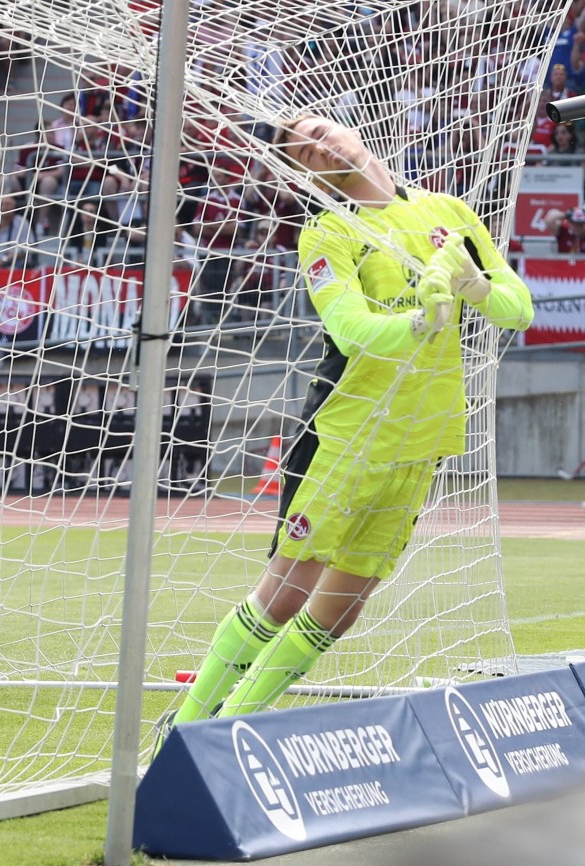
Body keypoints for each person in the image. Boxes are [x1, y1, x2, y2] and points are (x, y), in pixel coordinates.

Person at [155, 114, 535, 750]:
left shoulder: (447, 210)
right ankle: (189, 724)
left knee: (342, 607)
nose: (320, 141)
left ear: (349, 129)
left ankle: (231, 728)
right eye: (306, 147)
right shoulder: (328, 232)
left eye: (320, 129)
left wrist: (476, 285)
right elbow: (351, 327)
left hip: (423, 434)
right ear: (309, 171)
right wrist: (420, 323)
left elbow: (517, 308)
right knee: (285, 591)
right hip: (346, 434)